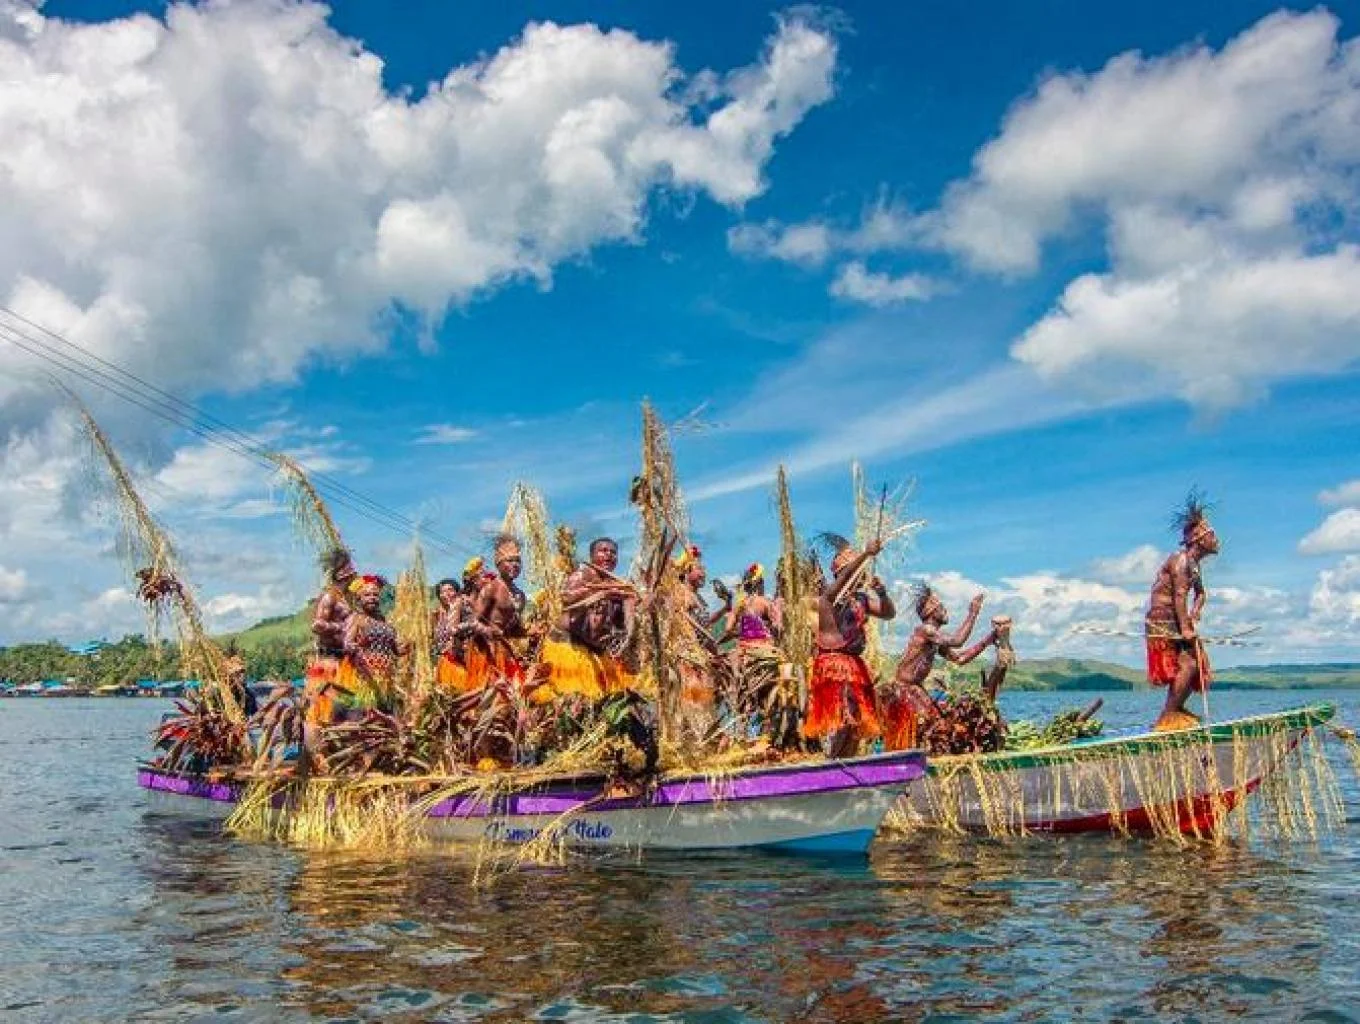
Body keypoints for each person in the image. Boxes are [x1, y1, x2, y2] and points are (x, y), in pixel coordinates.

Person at [802, 537, 895, 757]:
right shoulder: (828, 600)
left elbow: (888, 613)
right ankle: (833, 764)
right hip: (833, 665)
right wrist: (865, 554)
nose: (862, 573)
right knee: (844, 718)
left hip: (855, 666)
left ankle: (844, 765)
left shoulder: (860, 599)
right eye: (858, 569)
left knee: (856, 724)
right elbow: (842, 581)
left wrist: (882, 593)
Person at [884, 586, 993, 751]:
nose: (945, 610)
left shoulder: (934, 640)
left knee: (936, 728)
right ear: (931, 611)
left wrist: (990, 639)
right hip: (903, 690)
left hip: (914, 689)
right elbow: (957, 641)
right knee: (933, 727)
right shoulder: (926, 630)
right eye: (941, 607)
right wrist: (973, 613)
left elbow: (960, 659)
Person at [1146, 494, 1221, 731]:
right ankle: (1168, 717)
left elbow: (1200, 594)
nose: (1216, 539)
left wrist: (1195, 611)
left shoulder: (1194, 566)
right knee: (1188, 664)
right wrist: (1186, 628)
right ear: (1199, 539)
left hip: (1176, 617)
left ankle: (1174, 711)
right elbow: (1179, 596)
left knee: (1196, 662)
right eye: (1211, 535)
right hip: (1163, 617)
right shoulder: (1180, 561)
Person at [535, 537, 638, 700]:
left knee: (608, 697)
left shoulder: (617, 586)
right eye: (603, 551)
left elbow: (623, 620)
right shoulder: (583, 574)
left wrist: (636, 605)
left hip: (593, 649)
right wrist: (601, 591)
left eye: (613, 552)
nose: (609, 555)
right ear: (592, 556)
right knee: (570, 699)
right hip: (567, 646)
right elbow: (567, 597)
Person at [334, 574, 403, 715]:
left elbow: (395, 650)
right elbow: (347, 643)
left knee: (387, 719)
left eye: (375, 595)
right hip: (365, 678)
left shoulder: (384, 621)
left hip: (386, 679)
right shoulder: (357, 618)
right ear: (359, 598)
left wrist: (408, 646)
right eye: (367, 595)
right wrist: (354, 647)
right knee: (366, 716)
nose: (372, 598)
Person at [467, 535, 529, 689]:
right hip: (486, 653)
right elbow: (472, 622)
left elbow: (513, 629)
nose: (514, 565)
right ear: (498, 564)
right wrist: (488, 631)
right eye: (509, 561)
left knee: (514, 699)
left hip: (506, 651)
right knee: (490, 700)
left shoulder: (520, 595)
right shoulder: (492, 588)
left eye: (518, 561)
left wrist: (528, 631)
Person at [303, 547, 355, 725]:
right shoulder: (329, 596)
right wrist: (342, 627)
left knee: (347, 710)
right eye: (350, 572)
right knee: (325, 711)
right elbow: (317, 625)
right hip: (329, 661)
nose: (354, 575)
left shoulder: (346, 598)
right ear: (341, 575)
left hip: (345, 661)